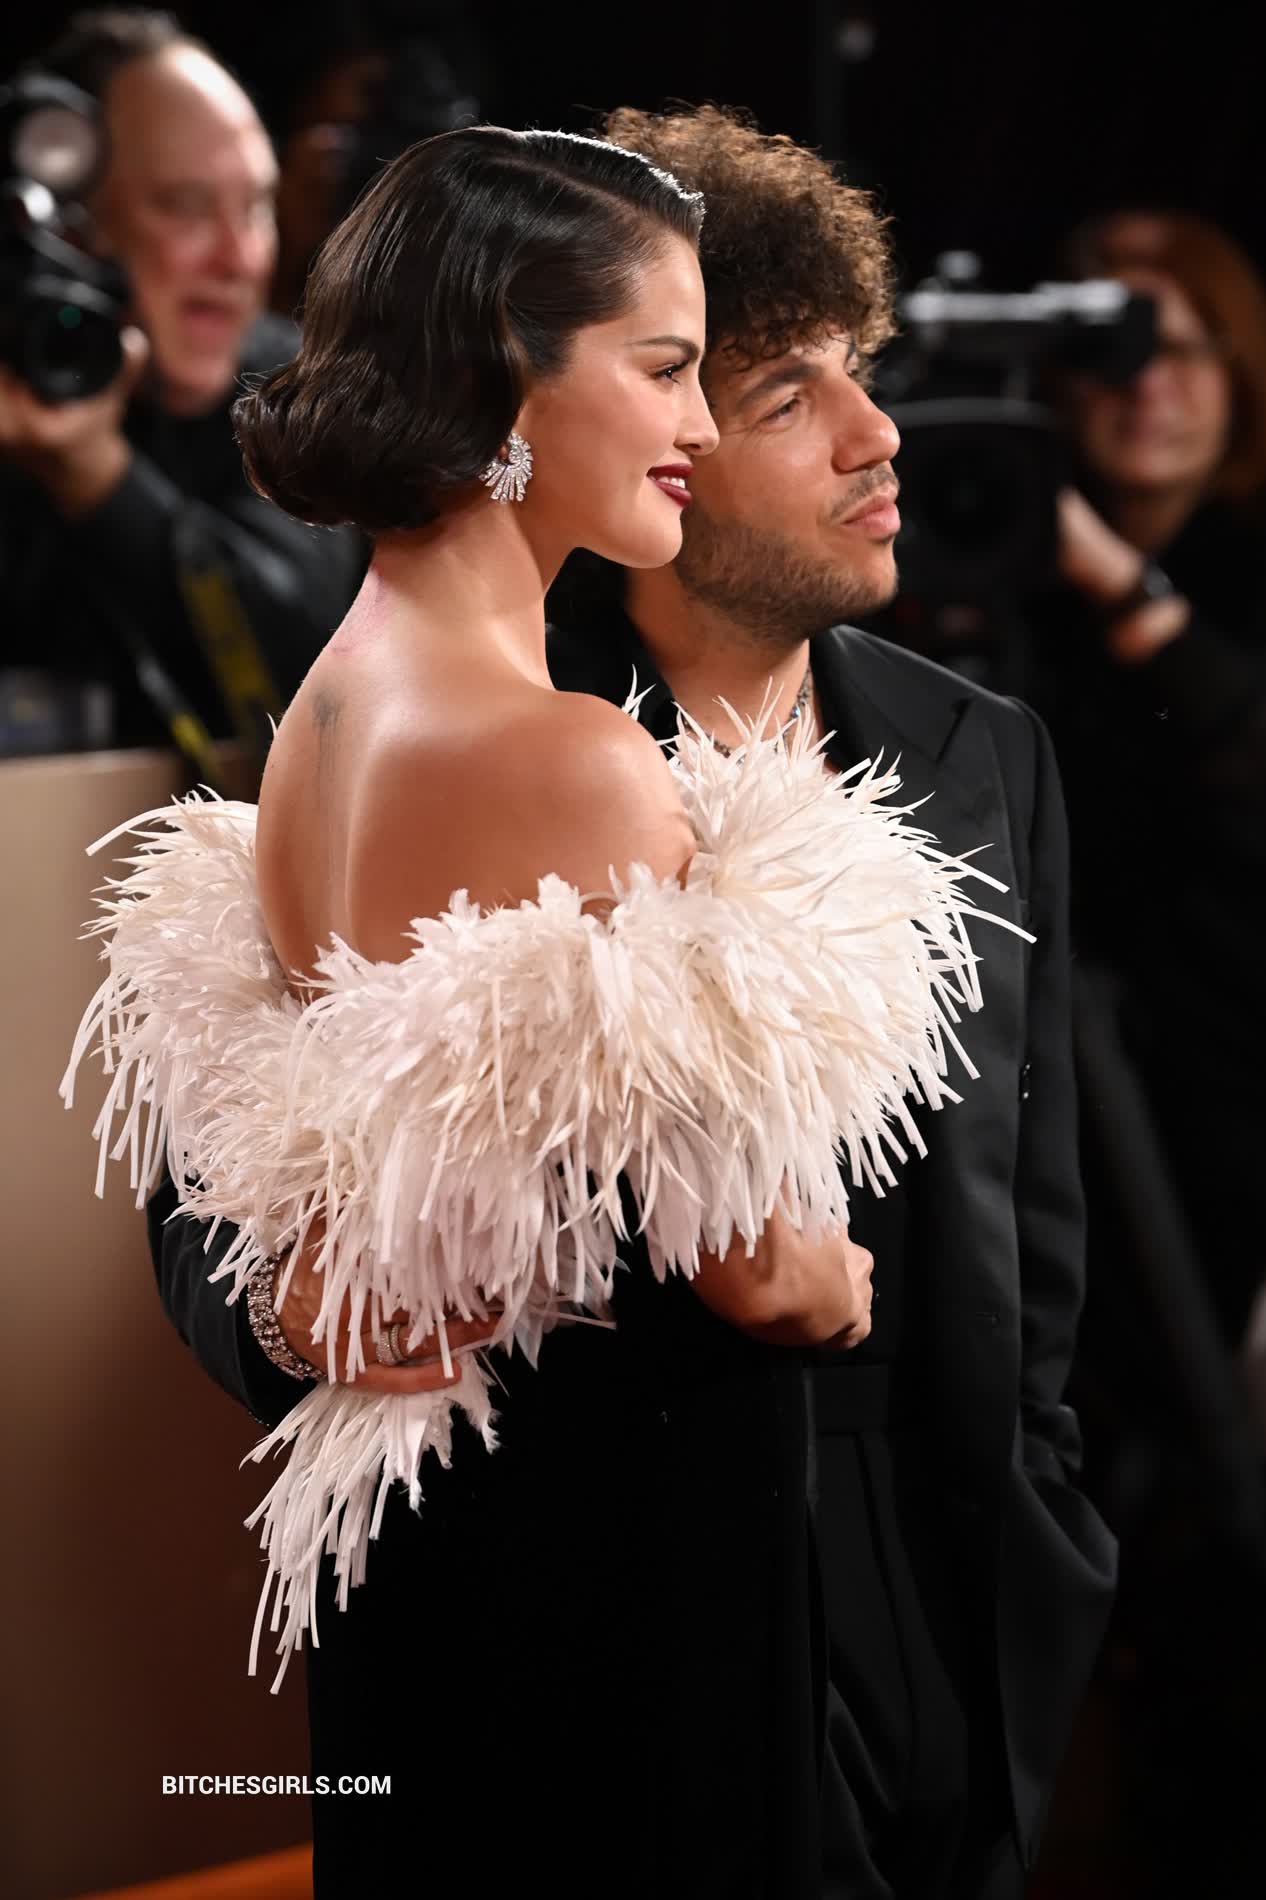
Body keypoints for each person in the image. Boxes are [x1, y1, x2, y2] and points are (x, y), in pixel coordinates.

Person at [143, 107, 1115, 1899]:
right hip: (612, 1610)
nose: (873, 435)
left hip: (924, 1597)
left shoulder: (982, 748)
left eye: (864, 371)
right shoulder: (540, 734)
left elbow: (1035, 1216)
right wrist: (295, 1302)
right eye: (758, 390)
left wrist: (1033, 1542)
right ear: (527, 388)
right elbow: (222, 1166)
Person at [0, 9, 362, 765]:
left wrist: (94, 473)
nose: (239, 257)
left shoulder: (300, 387)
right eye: (187, 205)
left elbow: (304, 668)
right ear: (70, 221)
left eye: (256, 206)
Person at [1032, 209, 1266, 1348]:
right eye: (1110, 356)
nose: (1146, 388)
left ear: (1238, 370)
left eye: (1177, 350)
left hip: (1230, 1071)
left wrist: (1125, 589)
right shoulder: (1000, 576)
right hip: (1070, 1084)